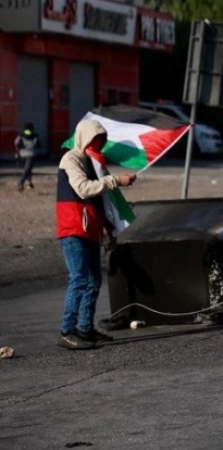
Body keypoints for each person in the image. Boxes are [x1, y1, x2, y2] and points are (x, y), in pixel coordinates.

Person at [56, 119, 136, 350]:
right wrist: (115, 181)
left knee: (93, 281)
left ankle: (85, 329)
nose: (98, 144)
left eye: (101, 140)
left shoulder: (94, 163)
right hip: (73, 227)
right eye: (95, 139)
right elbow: (84, 188)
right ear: (84, 138)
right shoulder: (71, 159)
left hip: (90, 229)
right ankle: (67, 331)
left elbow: (100, 202)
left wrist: (109, 230)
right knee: (79, 279)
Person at [14, 122, 39, 192]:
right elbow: (37, 144)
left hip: (22, 155)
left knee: (27, 169)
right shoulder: (35, 136)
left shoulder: (20, 136)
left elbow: (16, 144)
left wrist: (17, 155)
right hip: (31, 154)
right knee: (27, 169)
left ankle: (29, 182)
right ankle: (21, 182)